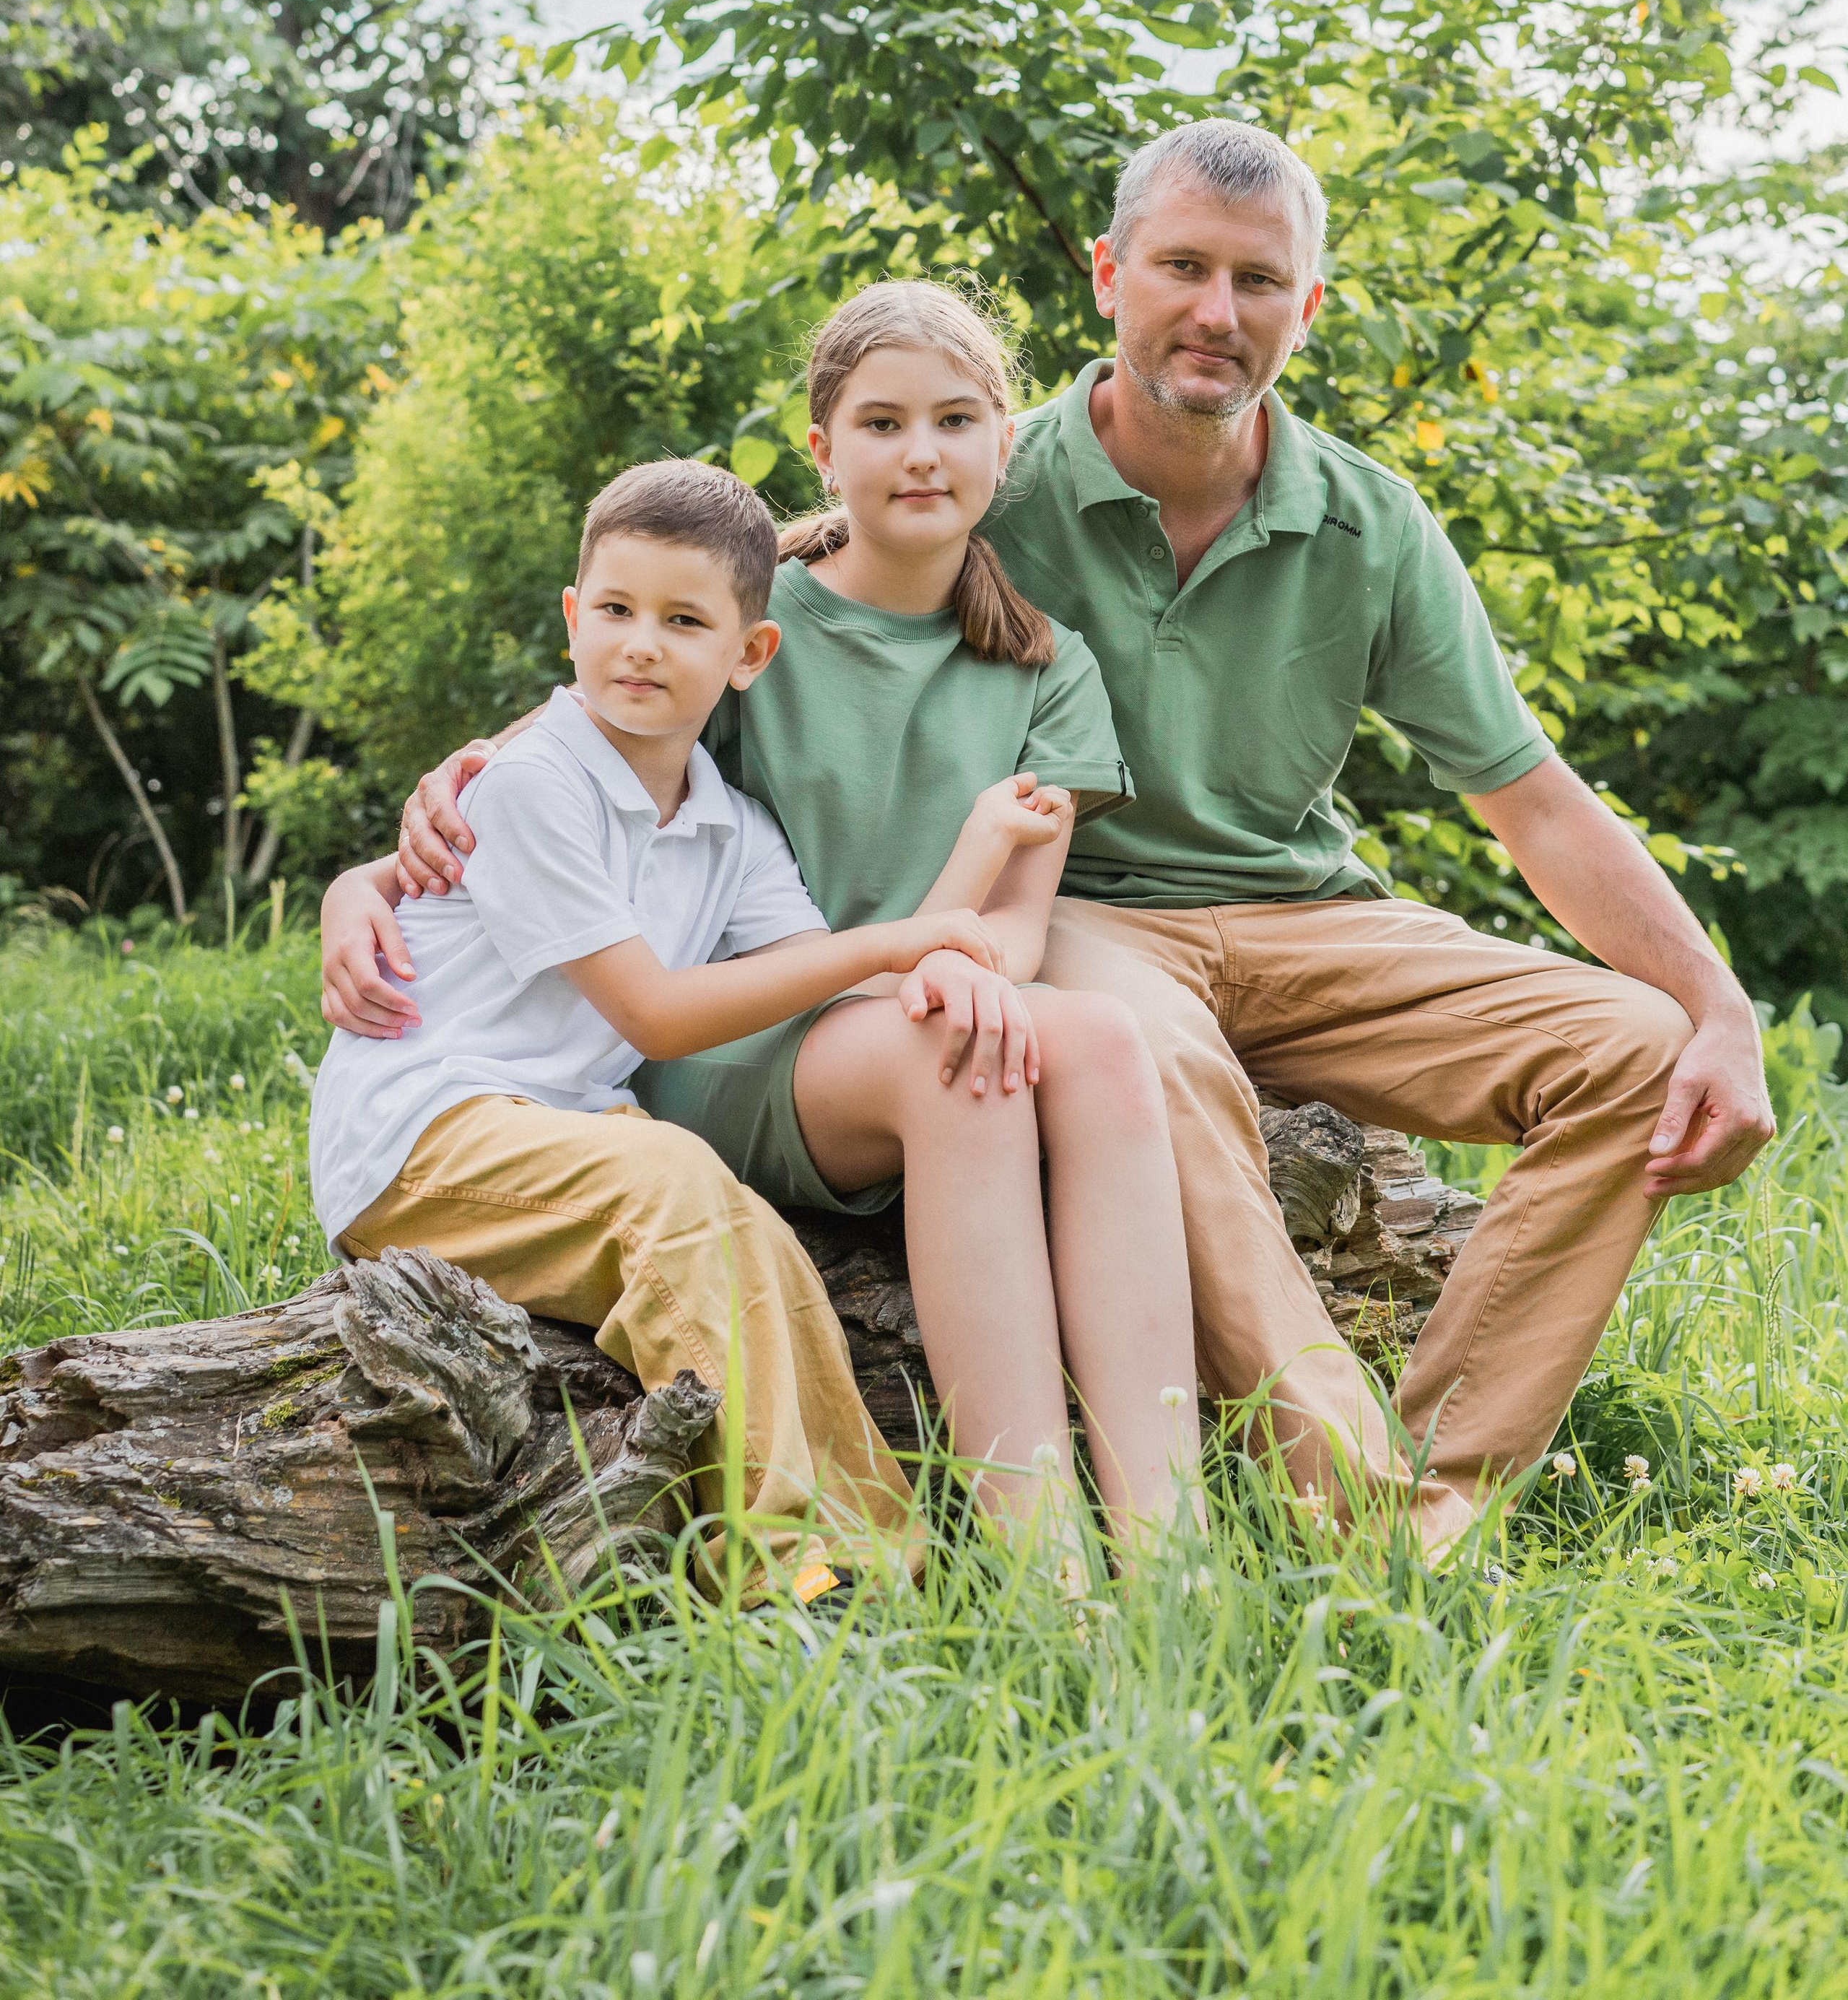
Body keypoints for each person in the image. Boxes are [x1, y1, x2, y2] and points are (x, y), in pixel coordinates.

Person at [382, 125, 1778, 1550]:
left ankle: (1441, 1498)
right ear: (1110, 277)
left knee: (1633, 1053)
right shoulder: (997, 471)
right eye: (1180, 267)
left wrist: (1715, 1005)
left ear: (1308, 307)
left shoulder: (1369, 526)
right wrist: (449, 802)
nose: (1214, 312)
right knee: (1137, 1049)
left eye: (1256, 279)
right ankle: (1343, 1503)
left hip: (1305, 919)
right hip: (1084, 924)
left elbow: (1531, 795)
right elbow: (718, 616)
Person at [319, 330, 1206, 1570]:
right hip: (694, 1058)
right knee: (947, 1061)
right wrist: (360, 880)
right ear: (824, 450)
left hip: (843, 1009)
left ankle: (1171, 1551)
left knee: (1099, 1037)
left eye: (955, 420)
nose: (918, 452)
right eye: (882, 421)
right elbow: (550, 768)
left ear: (1006, 443)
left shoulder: (1027, 675)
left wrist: (946, 936)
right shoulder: (729, 611)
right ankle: (1030, 1558)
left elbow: (939, 942)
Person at [312, 456, 1011, 1601]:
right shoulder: (536, 783)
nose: (641, 644)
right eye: (619, 612)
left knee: (753, 1231)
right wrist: (899, 942)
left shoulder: (727, 828)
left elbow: (818, 983)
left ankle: (885, 1564)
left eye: (684, 621)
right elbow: (654, 1012)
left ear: (748, 656)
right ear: (574, 620)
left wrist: (966, 885)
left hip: (559, 1134)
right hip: (421, 1139)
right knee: (674, 1185)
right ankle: (788, 1571)